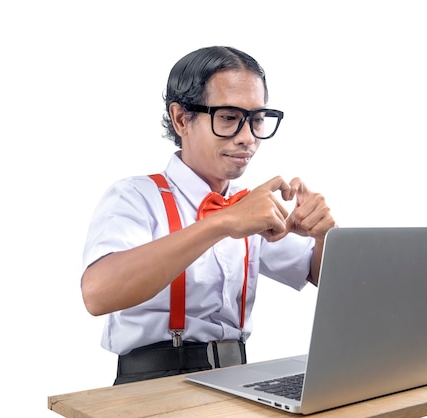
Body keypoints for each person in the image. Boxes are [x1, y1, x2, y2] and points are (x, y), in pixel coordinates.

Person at [81, 46, 336, 385]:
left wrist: (323, 236)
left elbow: (325, 278)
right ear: (181, 119)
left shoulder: (251, 206)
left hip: (239, 378)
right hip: (153, 383)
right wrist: (222, 223)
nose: (248, 138)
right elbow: (98, 293)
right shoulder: (136, 196)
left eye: (257, 120)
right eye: (229, 118)